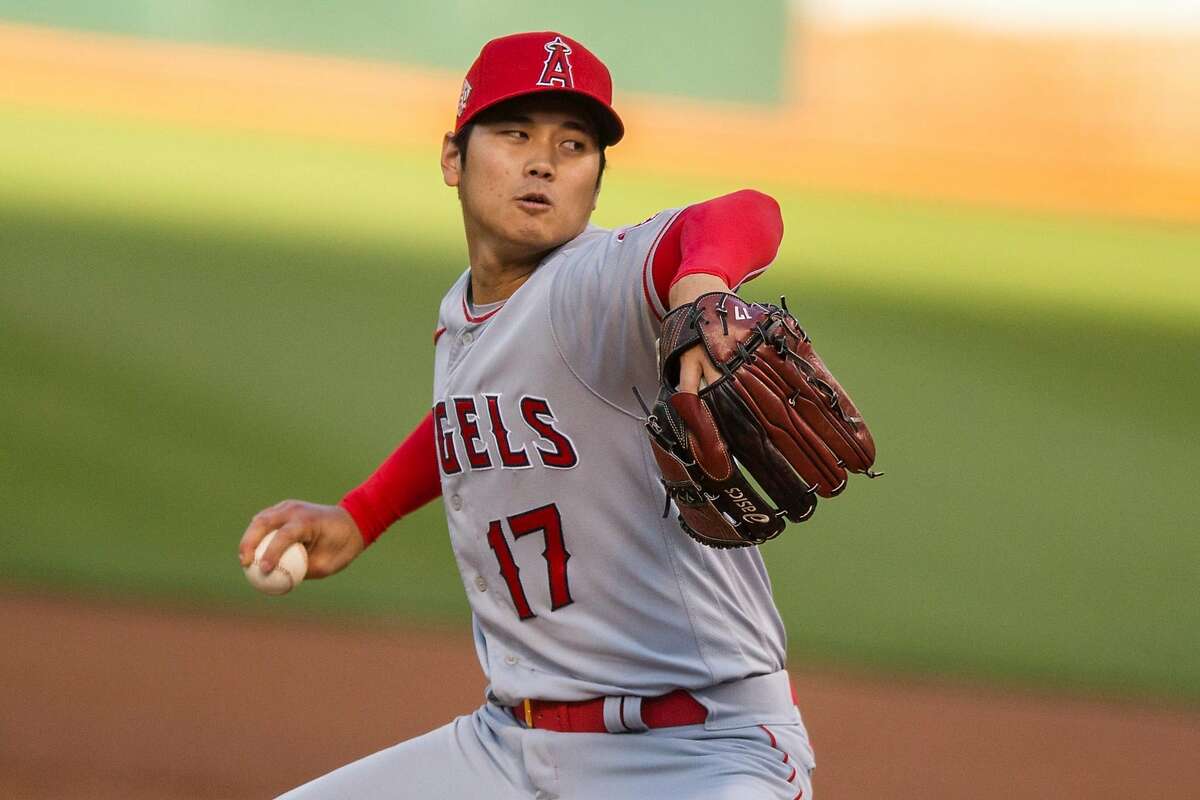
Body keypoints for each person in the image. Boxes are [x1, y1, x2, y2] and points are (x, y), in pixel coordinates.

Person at [239, 31, 816, 799]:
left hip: (700, 752)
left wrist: (701, 284)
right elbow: (470, 416)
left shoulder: (595, 287)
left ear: (596, 183)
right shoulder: (466, 314)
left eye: (573, 144)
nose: (543, 161)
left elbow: (743, 211)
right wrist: (361, 513)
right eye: (515, 134)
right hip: (508, 746)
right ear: (453, 158)